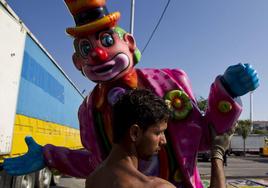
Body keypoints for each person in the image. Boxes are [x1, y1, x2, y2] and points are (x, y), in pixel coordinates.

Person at [3, 0, 259, 187]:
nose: (98, 54)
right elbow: (97, 161)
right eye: (85, 48)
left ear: (130, 43)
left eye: (105, 40)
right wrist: (50, 155)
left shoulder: (169, 82)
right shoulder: (89, 111)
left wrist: (226, 91)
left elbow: (202, 136)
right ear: (77, 62)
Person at [85, 89, 175, 188]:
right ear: (134, 133)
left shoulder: (92, 180)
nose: (164, 141)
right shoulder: (157, 186)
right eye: (158, 133)